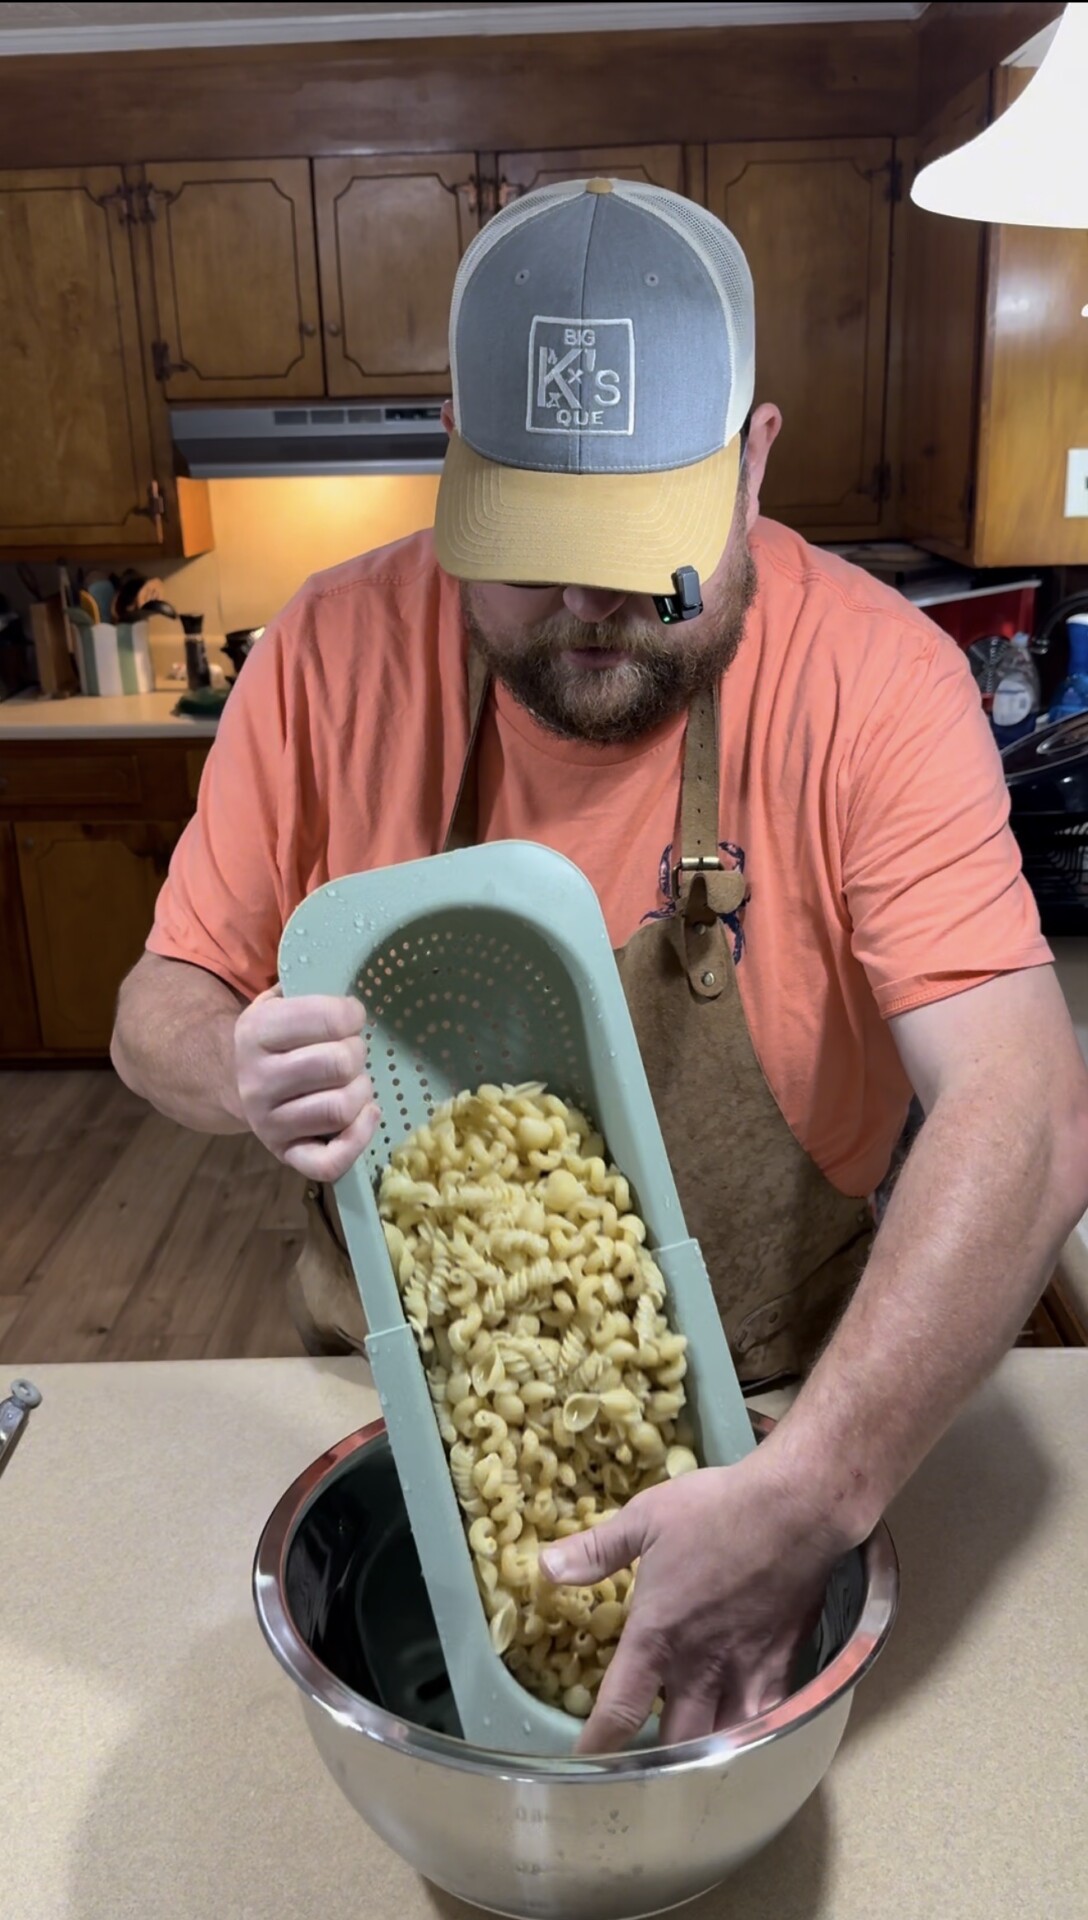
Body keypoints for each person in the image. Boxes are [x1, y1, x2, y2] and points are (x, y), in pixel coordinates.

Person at [112, 178, 1088, 1753]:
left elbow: (1026, 1112)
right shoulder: (322, 656)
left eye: (644, 560)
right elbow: (156, 1008)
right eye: (535, 550)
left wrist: (813, 1490)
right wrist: (231, 1066)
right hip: (368, 1408)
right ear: (454, 448)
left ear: (752, 461)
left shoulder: (872, 683)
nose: (585, 613)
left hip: (783, 1404)